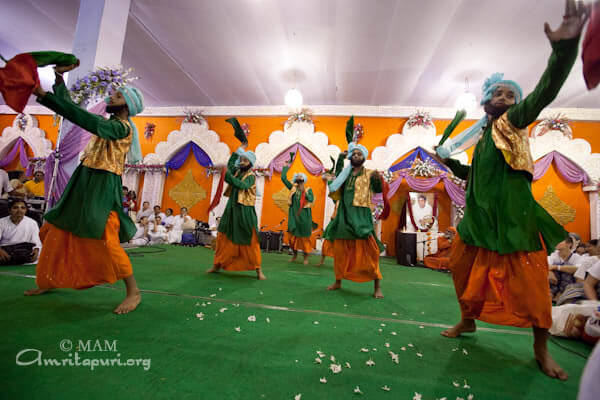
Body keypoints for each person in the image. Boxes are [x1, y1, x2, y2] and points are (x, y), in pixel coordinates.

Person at [434, 1, 589, 379]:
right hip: (479, 223)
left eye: (510, 95)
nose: (503, 99)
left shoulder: (512, 124)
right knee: (461, 270)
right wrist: (445, 160)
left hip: (514, 223)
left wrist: (564, 48)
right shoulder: (485, 136)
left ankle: (541, 350)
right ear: (485, 99)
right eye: (497, 94)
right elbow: (473, 175)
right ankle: (467, 321)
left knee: (532, 289)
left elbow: (545, 91)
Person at [24, 60, 145, 314]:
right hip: (84, 178)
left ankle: (133, 292)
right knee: (55, 229)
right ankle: (49, 280)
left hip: (103, 184)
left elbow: (83, 118)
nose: (112, 96)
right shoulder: (110, 123)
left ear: (127, 106)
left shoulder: (120, 127)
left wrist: (46, 97)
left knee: (107, 238)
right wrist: (58, 81)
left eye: (118, 95)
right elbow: (77, 112)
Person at [325, 142, 385, 298]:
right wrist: (340, 158)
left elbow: (379, 193)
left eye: (359, 154)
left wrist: (378, 181)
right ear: (351, 156)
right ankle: (338, 281)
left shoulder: (371, 174)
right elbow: (335, 179)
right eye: (354, 154)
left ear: (364, 158)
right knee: (340, 252)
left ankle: (377, 286)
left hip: (361, 217)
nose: (356, 156)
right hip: (344, 216)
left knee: (370, 252)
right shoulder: (344, 175)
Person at [207, 144, 265, 280]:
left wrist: (227, 175)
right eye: (241, 160)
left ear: (250, 163)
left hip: (245, 212)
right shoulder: (238, 171)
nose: (241, 162)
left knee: (251, 240)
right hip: (231, 209)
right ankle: (217, 264)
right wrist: (239, 149)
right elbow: (231, 164)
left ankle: (258, 270)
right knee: (223, 237)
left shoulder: (251, 176)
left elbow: (241, 185)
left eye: (245, 160)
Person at [281, 165, 315, 265]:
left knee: (305, 239)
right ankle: (295, 256)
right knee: (292, 238)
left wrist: (303, 190)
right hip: (294, 217)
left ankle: (305, 258)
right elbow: (283, 178)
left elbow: (311, 199)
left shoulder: (308, 189)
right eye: (297, 176)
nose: (299, 177)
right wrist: (285, 168)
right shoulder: (292, 188)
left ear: (304, 180)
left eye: (301, 177)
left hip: (305, 217)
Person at [0, 199, 42, 265]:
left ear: (26, 210)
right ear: (9, 210)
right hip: (5, 251)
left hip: (24, 251)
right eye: (15, 208)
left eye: (23, 208)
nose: (19, 211)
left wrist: (36, 249)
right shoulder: (1, 222)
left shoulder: (32, 223)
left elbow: (37, 242)